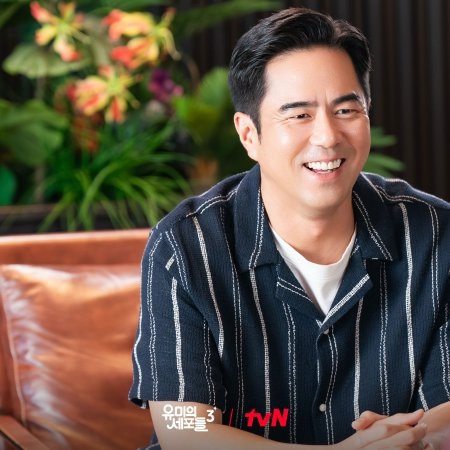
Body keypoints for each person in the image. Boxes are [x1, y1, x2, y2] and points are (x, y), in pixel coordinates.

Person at [129, 7, 450, 449]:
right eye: (299, 115)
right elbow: (183, 429)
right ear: (249, 134)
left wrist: (406, 439)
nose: (328, 136)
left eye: (346, 109)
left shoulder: (435, 233)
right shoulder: (185, 246)